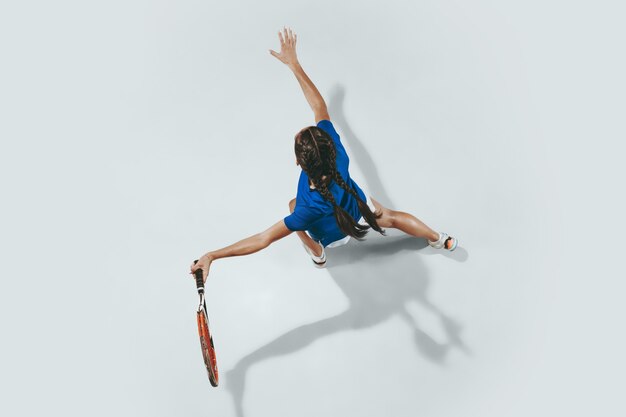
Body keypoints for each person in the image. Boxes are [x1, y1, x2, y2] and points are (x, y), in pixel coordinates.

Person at [190, 27, 457, 281]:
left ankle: (318, 253)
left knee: (291, 206)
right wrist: (294, 65)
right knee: (393, 217)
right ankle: (440, 239)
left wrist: (213, 255)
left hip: (332, 236)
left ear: (298, 162)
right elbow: (319, 108)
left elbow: (262, 239)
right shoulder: (338, 154)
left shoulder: (306, 208)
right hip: (359, 208)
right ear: (328, 146)